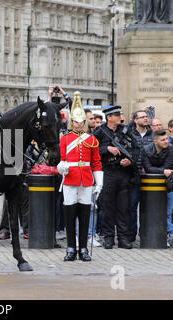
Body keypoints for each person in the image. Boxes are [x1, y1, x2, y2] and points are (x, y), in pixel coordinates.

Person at [57, 92, 103, 262]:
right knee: (69, 215)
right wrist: (61, 167)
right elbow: (61, 160)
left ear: (84, 122)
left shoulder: (91, 139)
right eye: (75, 121)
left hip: (86, 180)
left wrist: (99, 183)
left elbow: (97, 163)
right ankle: (70, 248)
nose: (78, 124)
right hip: (70, 179)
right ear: (72, 122)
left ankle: (83, 248)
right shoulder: (65, 139)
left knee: (84, 215)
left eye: (81, 121)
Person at [93, 106, 138, 249]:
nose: (120, 117)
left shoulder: (126, 131)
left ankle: (123, 238)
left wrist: (130, 161)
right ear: (109, 117)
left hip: (123, 172)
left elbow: (137, 150)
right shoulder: (99, 132)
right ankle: (108, 237)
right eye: (117, 114)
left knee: (123, 207)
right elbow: (91, 150)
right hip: (107, 172)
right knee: (107, 207)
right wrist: (106, 149)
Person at [142, 129, 173, 246]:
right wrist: (163, 171)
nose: (166, 142)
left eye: (166, 139)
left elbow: (169, 166)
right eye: (162, 140)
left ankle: (167, 235)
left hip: (170, 184)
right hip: (151, 186)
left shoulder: (171, 149)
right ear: (155, 141)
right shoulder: (146, 149)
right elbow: (148, 168)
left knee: (167, 213)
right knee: (156, 212)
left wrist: (159, 170)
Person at [127, 110, 153, 242]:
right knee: (132, 206)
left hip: (149, 176)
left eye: (146, 116)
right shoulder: (130, 134)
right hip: (134, 175)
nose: (145, 119)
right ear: (135, 120)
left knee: (147, 206)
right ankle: (131, 234)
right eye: (142, 117)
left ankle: (145, 233)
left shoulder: (152, 135)